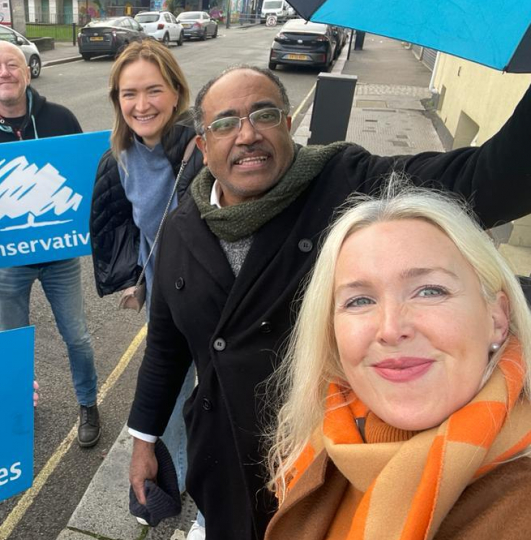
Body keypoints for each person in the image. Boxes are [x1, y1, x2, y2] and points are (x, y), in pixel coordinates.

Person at [126, 63, 531, 539]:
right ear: (202, 144)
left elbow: (494, 179)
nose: (248, 134)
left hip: (325, 470)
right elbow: (167, 347)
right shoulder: (181, 227)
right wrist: (144, 440)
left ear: (290, 122)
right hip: (222, 464)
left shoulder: (349, 183)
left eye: (266, 114)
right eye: (225, 123)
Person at [265, 186, 531, 539]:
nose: (390, 329)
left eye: (430, 291)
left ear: (496, 318)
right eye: (359, 300)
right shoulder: (316, 447)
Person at [0, 41, 101, 447]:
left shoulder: (60, 118)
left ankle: (88, 403)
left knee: (78, 337)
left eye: (12, 65)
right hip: (9, 259)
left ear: (28, 72)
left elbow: (84, 179)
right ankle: (17, 405)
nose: (5, 72)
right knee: (11, 344)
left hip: (60, 255)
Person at [88, 40, 205, 538]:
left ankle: (209, 507)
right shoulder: (120, 158)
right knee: (173, 399)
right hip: (163, 299)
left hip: (214, 301)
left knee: (216, 402)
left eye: (153, 90)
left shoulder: (203, 148)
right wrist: (139, 281)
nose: (141, 104)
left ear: (177, 91)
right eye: (129, 93)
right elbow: (143, 229)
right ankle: (175, 481)